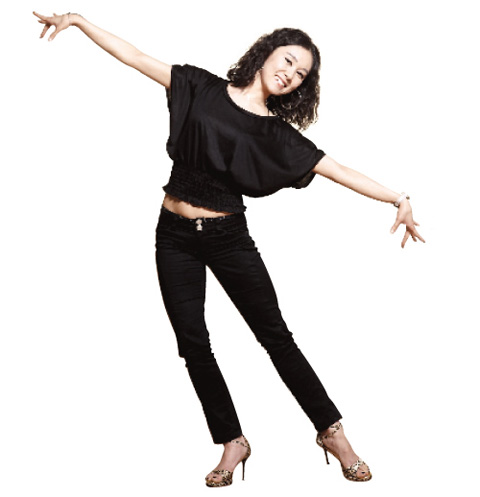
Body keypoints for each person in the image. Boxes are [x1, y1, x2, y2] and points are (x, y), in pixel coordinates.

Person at [33, 11, 425, 487]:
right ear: (266, 53)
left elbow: (337, 169)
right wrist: (79, 21)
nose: (291, 73)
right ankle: (232, 441)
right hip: (173, 235)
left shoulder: (276, 133)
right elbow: (133, 56)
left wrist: (398, 197)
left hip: (227, 240)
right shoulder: (200, 86)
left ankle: (332, 434)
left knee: (276, 338)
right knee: (193, 343)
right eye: (288, 60)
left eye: (301, 73)